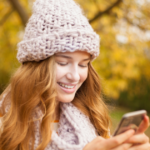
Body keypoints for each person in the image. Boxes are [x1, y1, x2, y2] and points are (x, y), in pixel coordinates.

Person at [0, 0, 149, 149]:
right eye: (63, 63)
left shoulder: (93, 118)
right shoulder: (5, 121)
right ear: (36, 64)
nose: (75, 76)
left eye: (83, 64)